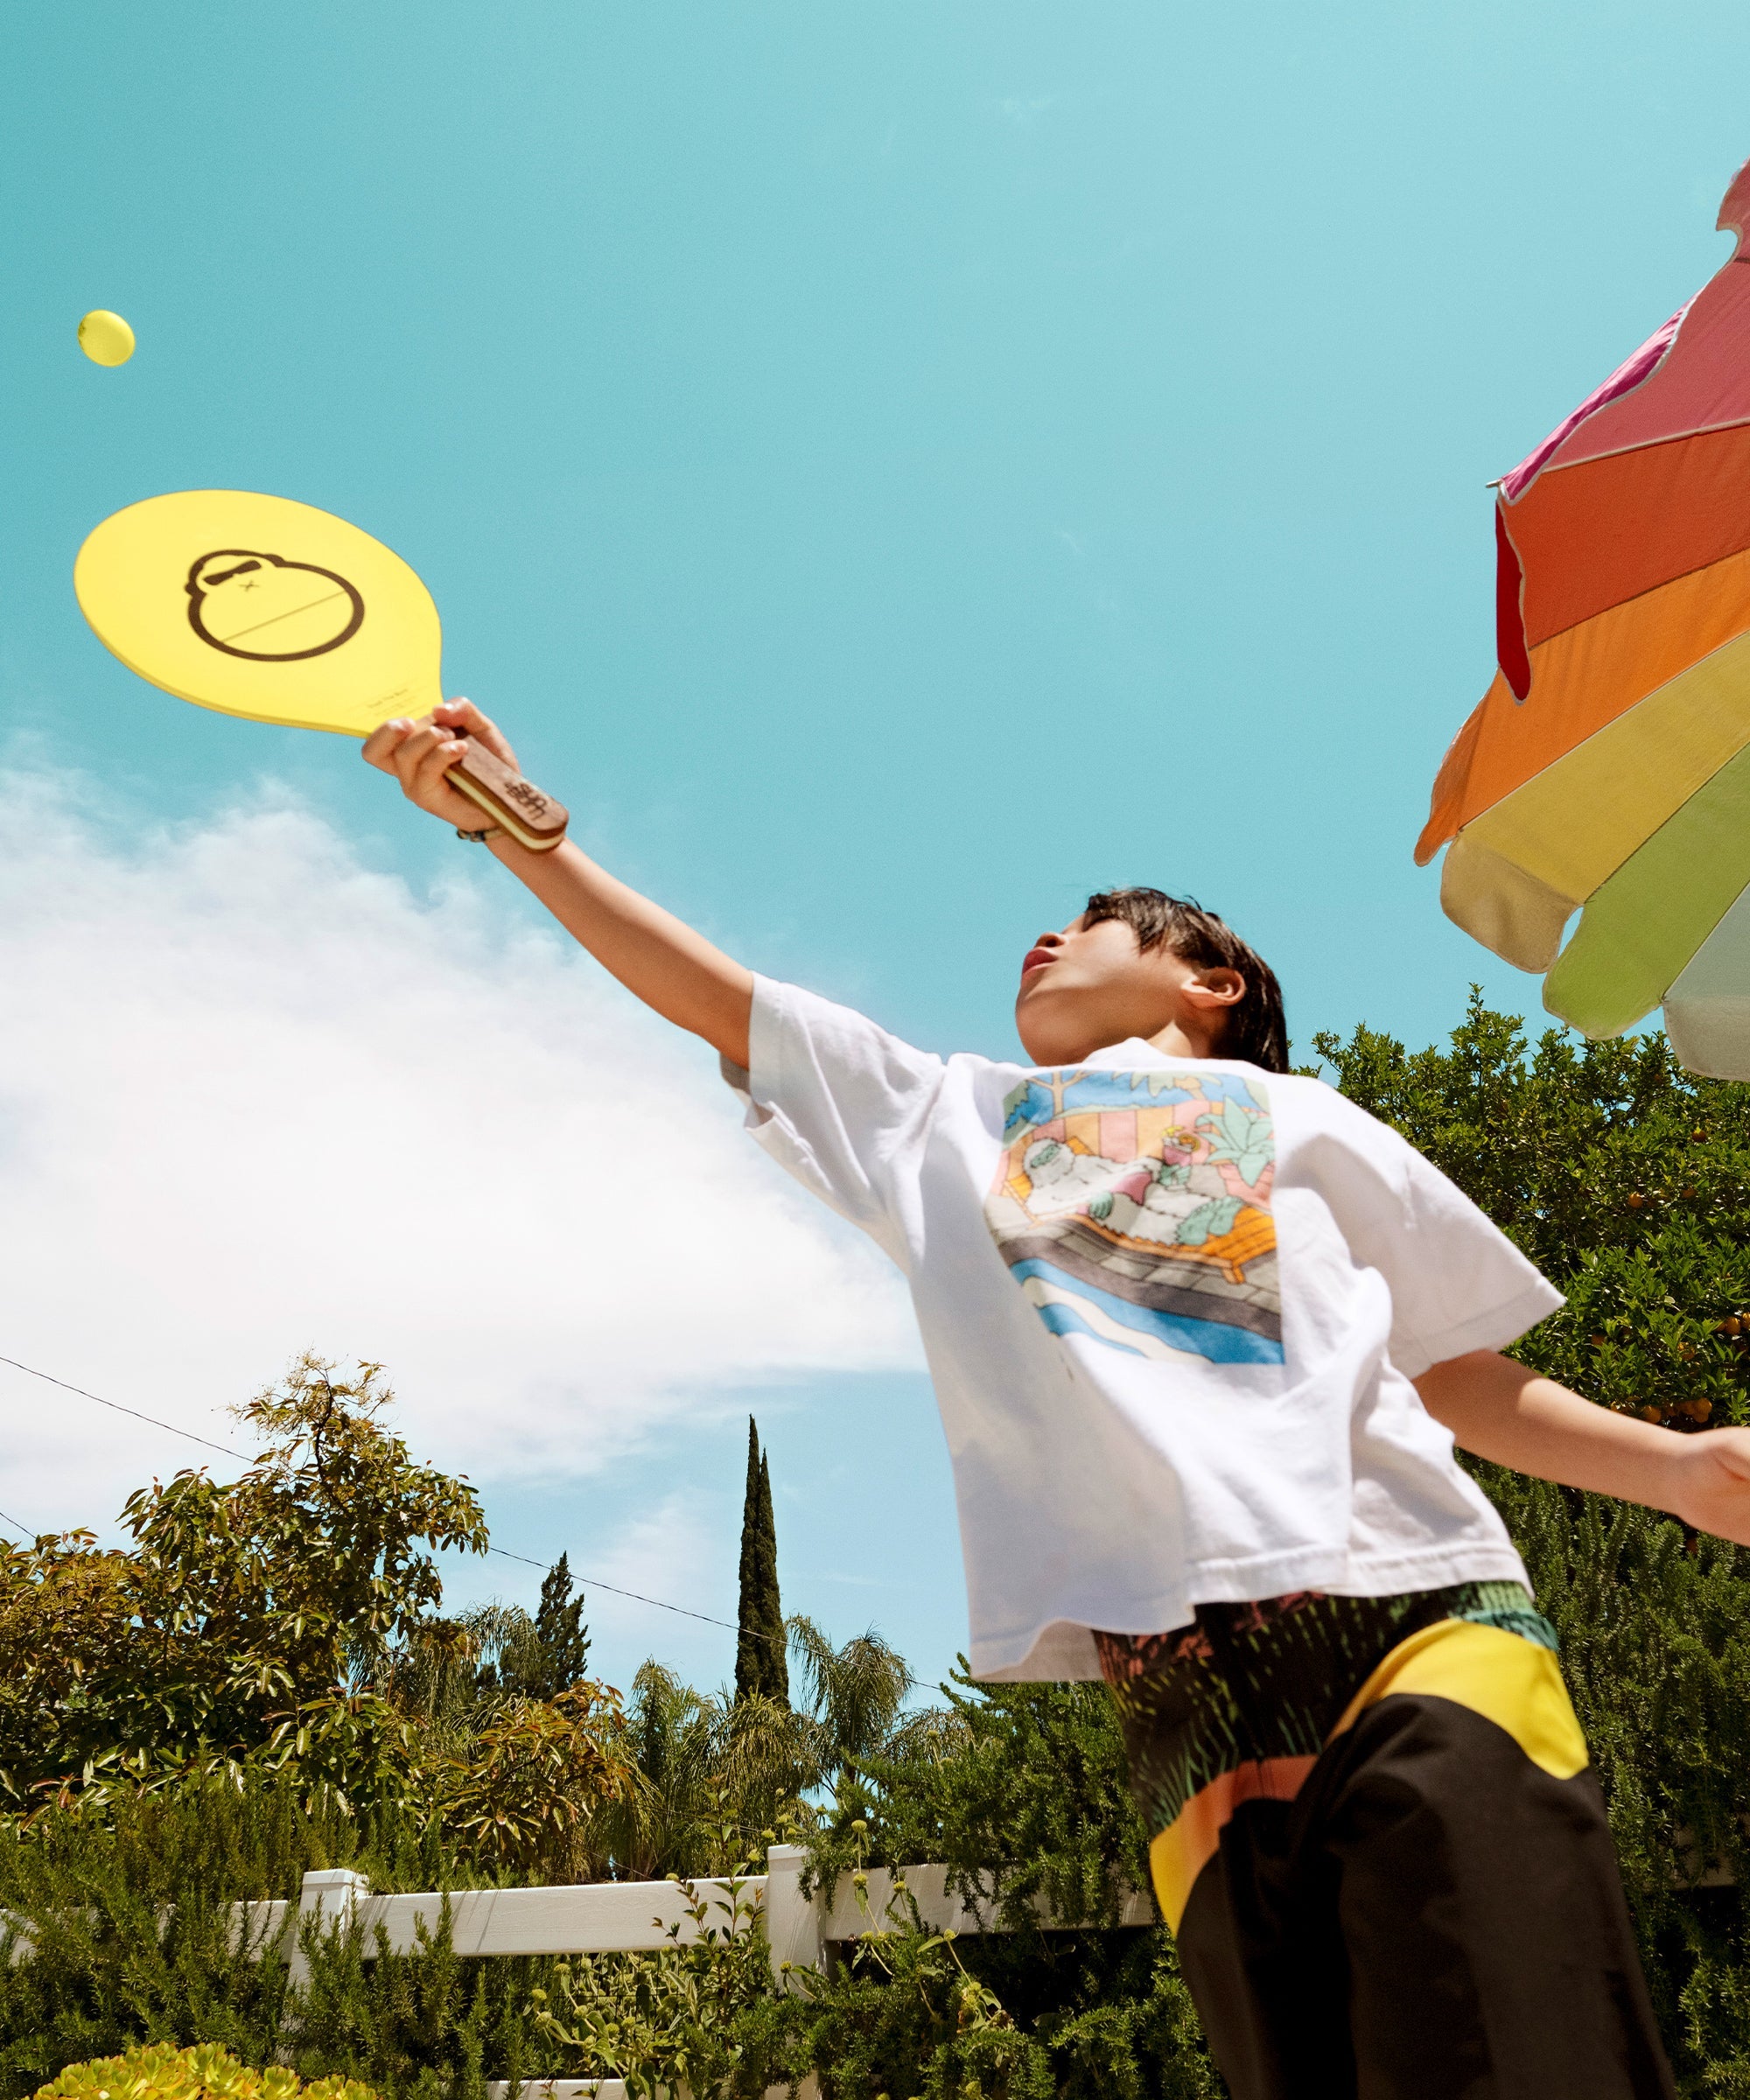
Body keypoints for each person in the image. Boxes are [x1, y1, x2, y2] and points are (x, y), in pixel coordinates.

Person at [365, 701, 1747, 2100]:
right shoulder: (939, 1118)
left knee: (1525, 2052)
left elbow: (1453, 1372)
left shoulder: (1310, 1122)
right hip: (1181, 1702)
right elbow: (716, 996)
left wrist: (1681, 1469)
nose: (1048, 933)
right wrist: (512, 827)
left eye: (1100, 921)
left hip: (1418, 1614)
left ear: (1215, 984)